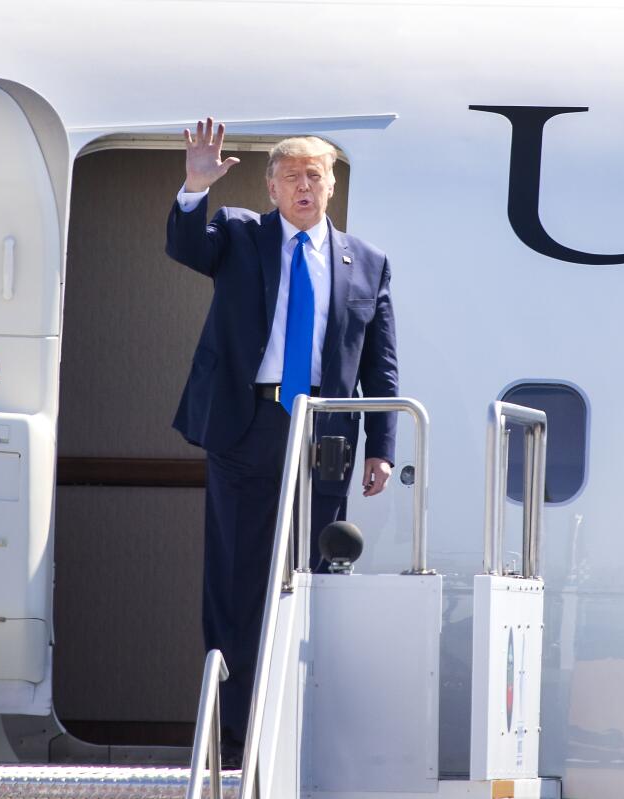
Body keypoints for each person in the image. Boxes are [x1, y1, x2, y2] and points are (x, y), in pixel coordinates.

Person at [164, 118, 398, 760]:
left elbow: (380, 361)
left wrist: (381, 444)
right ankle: (236, 737)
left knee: (312, 576)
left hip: (323, 439)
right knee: (237, 581)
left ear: (331, 187)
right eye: (291, 176)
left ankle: (299, 728)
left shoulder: (366, 261)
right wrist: (194, 187)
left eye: (314, 175)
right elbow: (187, 248)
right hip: (246, 428)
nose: (303, 186)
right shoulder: (240, 233)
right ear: (271, 187)